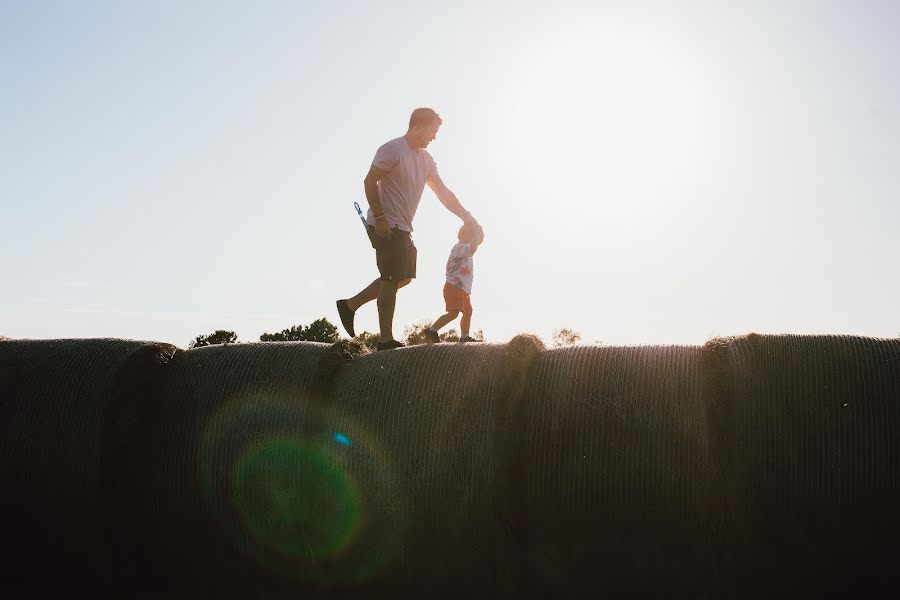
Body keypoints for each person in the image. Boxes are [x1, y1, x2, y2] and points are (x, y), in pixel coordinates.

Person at [336, 107, 479, 351]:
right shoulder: (393, 149)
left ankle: (350, 305)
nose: (434, 137)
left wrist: (466, 216)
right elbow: (370, 180)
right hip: (385, 224)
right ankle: (385, 341)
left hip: (403, 226)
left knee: (402, 278)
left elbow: (443, 193)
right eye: (432, 131)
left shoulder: (426, 160)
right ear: (417, 127)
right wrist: (380, 216)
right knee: (391, 279)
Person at [424, 223, 484, 343]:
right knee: (454, 313)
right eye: (474, 237)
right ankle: (431, 330)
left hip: (463, 289)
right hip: (454, 286)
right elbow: (472, 250)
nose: (476, 242)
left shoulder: (464, 248)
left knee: (468, 312)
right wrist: (476, 236)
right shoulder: (460, 248)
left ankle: (464, 336)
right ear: (467, 235)